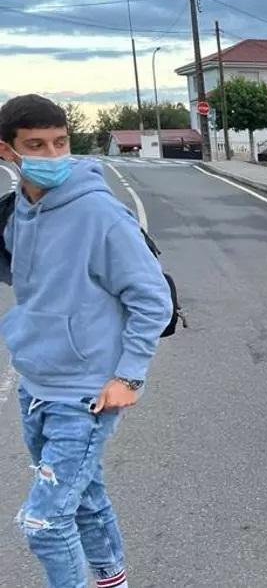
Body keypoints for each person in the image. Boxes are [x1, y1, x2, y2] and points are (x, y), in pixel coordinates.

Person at [0, 94, 174, 588]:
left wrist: (128, 376)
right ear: (7, 152)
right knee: (84, 496)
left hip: (86, 391)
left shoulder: (99, 213)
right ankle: (111, 579)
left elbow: (151, 297)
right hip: (36, 382)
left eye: (60, 142)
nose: (53, 156)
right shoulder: (17, 214)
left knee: (44, 522)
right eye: (36, 145)